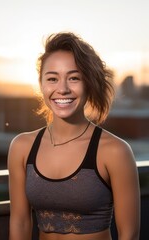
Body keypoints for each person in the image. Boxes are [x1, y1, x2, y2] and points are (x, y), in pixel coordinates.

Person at [8, 32, 140, 240]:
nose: (62, 89)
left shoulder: (115, 151)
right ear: (41, 84)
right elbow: (20, 222)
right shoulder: (22, 147)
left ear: (89, 83)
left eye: (74, 78)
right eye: (52, 78)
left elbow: (129, 235)